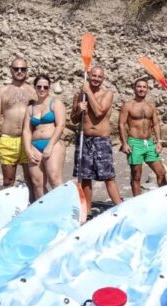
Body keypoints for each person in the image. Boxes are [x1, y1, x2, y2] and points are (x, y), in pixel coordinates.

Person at [71, 65, 121, 214]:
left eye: (99, 77)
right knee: (85, 177)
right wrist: (78, 109)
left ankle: (120, 207)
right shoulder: (79, 96)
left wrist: (88, 92)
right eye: (93, 76)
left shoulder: (107, 94)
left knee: (108, 176)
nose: (96, 79)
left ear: (103, 79)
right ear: (89, 76)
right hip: (84, 139)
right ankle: (86, 211)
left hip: (101, 140)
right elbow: (73, 120)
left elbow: (99, 112)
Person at [0, 57, 36, 198]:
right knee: (8, 180)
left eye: (23, 69)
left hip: (27, 140)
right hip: (8, 138)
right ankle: (6, 208)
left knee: (31, 179)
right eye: (16, 69)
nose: (19, 71)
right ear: (11, 70)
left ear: (27, 71)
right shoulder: (3, 91)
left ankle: (32, 206)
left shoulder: (33, 91)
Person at [119, 77, 167, 196]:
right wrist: (124, 143)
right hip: (135, 143)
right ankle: (137, 203)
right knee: (136, 175)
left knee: (161, 172)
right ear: (134, 89)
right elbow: (121, 124)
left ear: (147, 89)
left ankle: (166, 198)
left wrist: (159, 142)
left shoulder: (151, 106)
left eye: (144, 87)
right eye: (139, 87)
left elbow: (155, 124)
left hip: (149, 142)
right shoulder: (128, 105)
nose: (141, 89)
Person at [22, 75, 66, 200]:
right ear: (35, 88)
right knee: (37, 183)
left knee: (54, 179)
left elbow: (61, 125)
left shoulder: (55, 103)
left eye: (45, 87)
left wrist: (50, 145)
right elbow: (26, 130)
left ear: (49, 88)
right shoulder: (30, 108)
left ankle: (63, 209)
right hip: (35, 145)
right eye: (39, 87)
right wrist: (28, 150)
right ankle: (45, 210)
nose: (42, 89)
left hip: (53, 143)